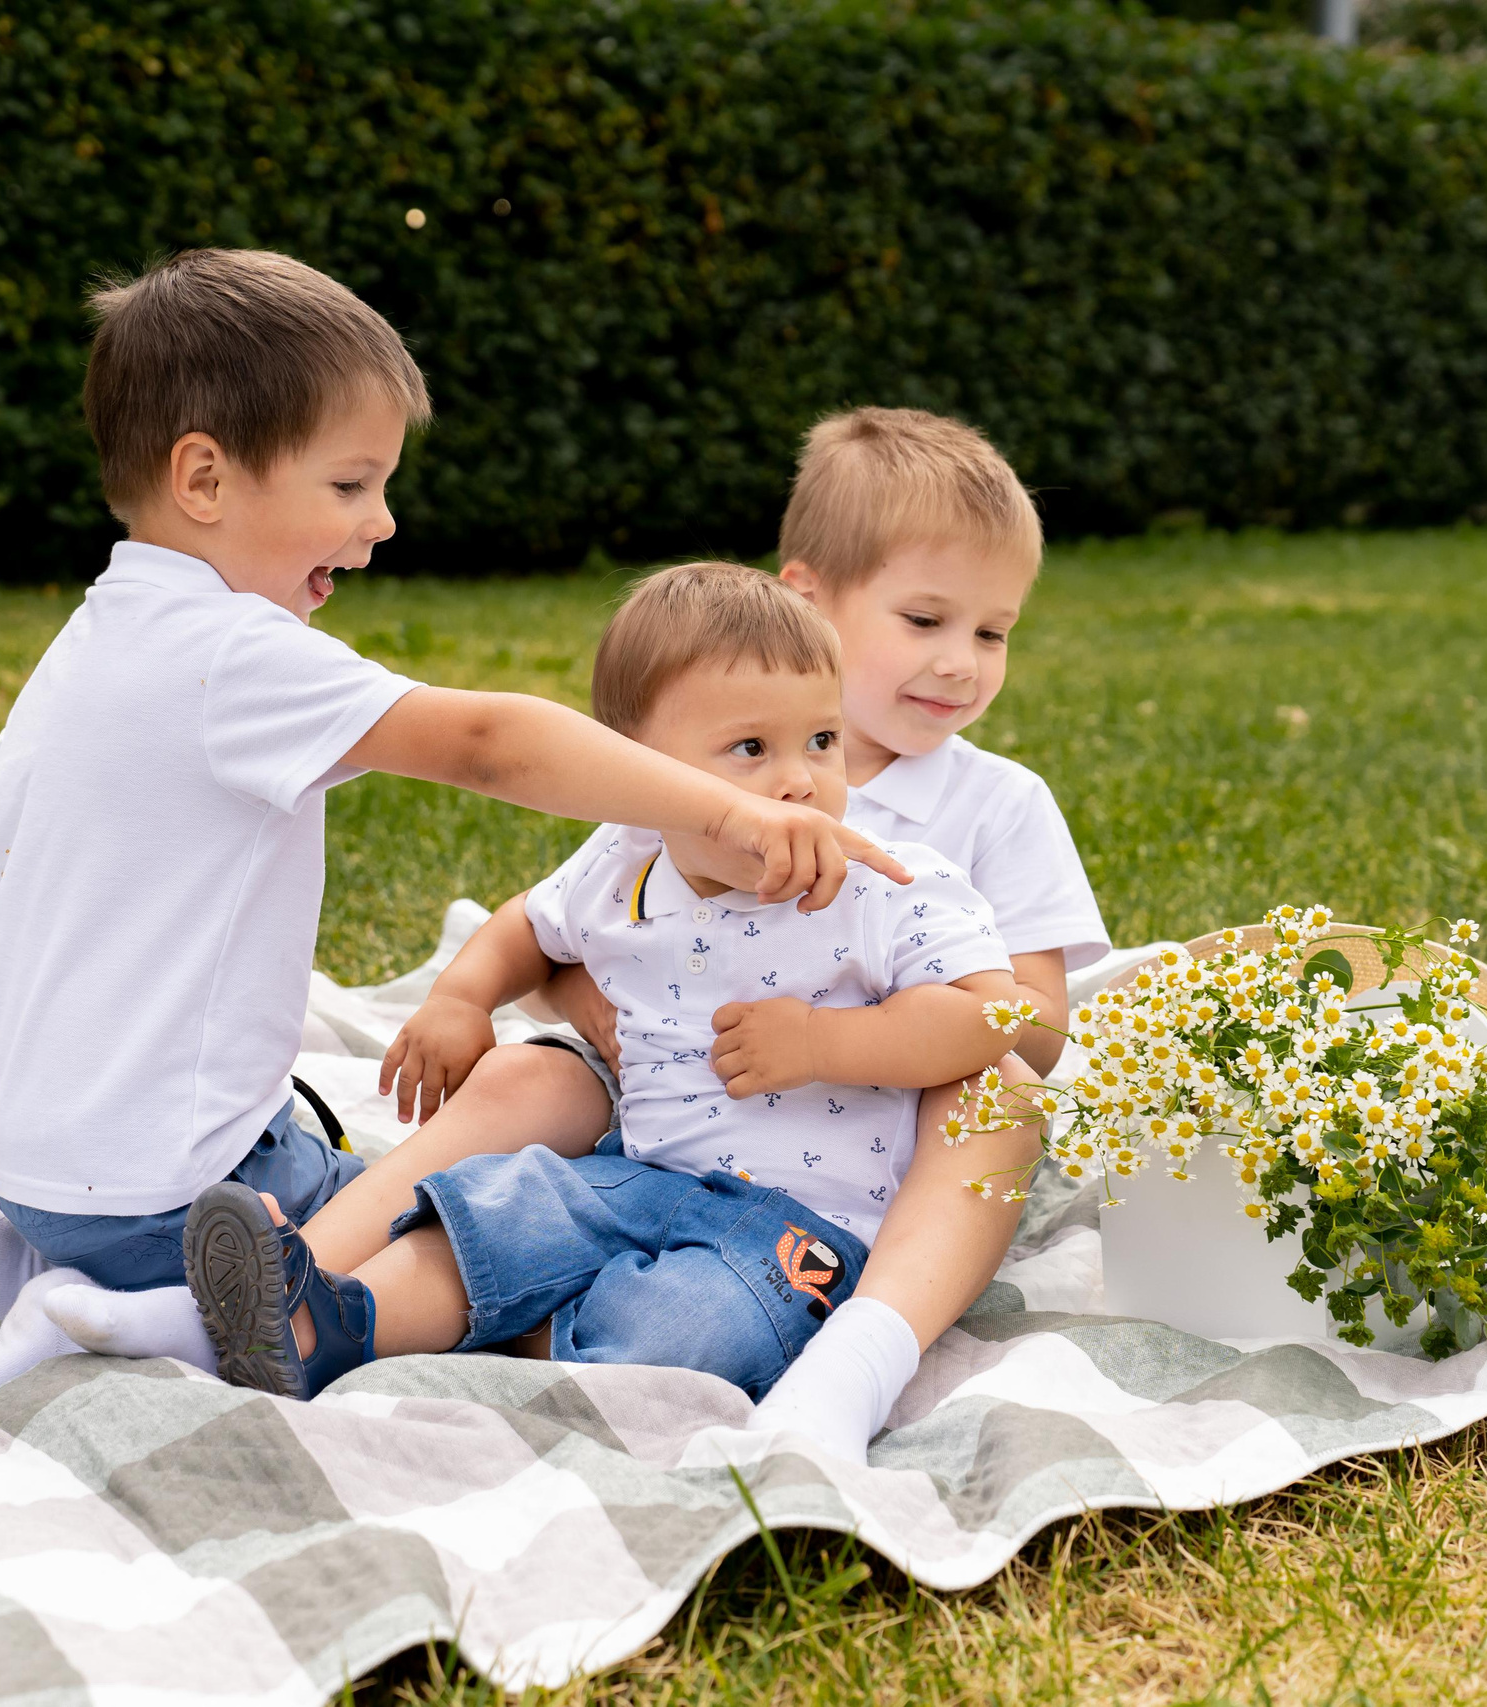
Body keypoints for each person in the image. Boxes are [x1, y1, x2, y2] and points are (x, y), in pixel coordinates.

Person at [0, 250, 904, 1428]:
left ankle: (28, 1264)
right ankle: (180, 1321)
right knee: (527, 1161)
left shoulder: (100, 634)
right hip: (180, 1198)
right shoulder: (232, 654)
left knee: (461, 1123)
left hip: (47, 1182)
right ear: (204, 476)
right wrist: (722, 808)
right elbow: (490, 741)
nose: (380, 522)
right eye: (350, 486)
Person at [182, 564, 1051, 1444]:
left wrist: (830, 1043)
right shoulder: (626, 865)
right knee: (499, 1212)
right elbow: (527, 924)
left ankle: (527, 1329)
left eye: (823, 740)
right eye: (752, 749)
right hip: (634, 1175)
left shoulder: (884, 882)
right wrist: (462, 995)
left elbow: (994, 1016)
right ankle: (328, 1320)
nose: (800, 781)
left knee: (686, 1329)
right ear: (637, 773)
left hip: (798, 1229)